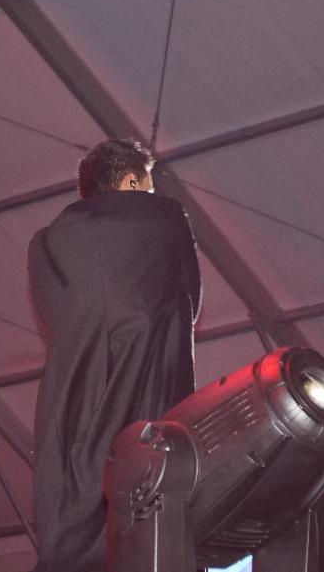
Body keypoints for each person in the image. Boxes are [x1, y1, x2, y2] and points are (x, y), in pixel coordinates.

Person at [27, 138, 202, 572]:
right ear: (130, 181)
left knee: (75, 499)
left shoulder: (46, 243)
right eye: (147, 183)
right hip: (147, 388)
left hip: (74, 394)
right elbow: (190, 299)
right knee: (149, 498)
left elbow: (55, 314)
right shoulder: (165, 217)